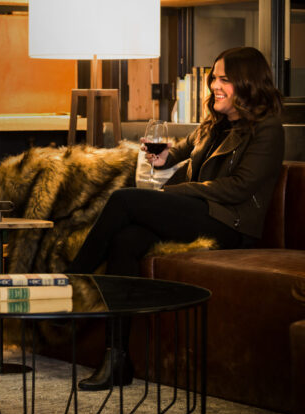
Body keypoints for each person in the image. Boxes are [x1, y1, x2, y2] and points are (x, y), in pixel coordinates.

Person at [65, 46, 284, 391]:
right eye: (214, 77)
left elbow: (240, 188)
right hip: (203, 211)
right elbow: (183, 151)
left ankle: (70, 279)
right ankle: (116, 358)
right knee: (126, 241)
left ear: (247, 83)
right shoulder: (216, 122)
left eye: (225, 79)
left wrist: (178, 192)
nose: (215, 85)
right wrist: (165, 156)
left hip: (231, 225)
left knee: (124, 201)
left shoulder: (267, 130)